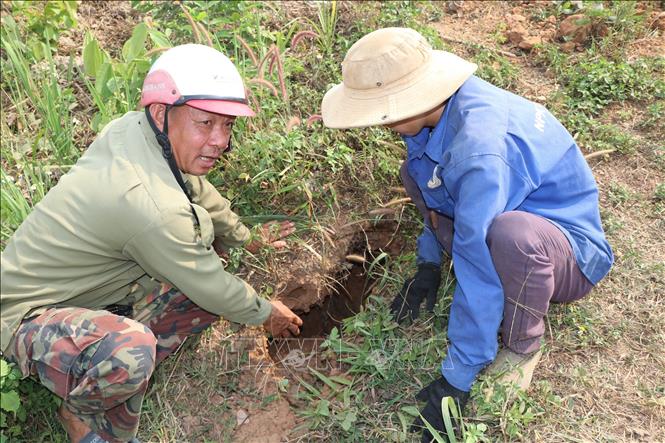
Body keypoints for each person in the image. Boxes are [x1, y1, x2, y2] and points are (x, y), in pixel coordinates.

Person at [0, 44, 303, 443]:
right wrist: (266, 313)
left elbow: (194, 186)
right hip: (26, 314)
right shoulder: (150, 206)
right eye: (205, 123)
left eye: (227, 125)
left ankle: (106, 353)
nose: (220, 141)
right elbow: (208, 280)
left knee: (199, 292)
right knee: (133, 347)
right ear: (162, 113)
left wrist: (245, 238)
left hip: (87, 292)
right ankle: (82, 416)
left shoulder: (139, 131)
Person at [321, 28, 613, 441]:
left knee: (510, 236)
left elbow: (476, 263)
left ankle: (523, 344)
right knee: (414, 171)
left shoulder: (478, 150)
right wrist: (428, 264)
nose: (377, 123)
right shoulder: (433, 116)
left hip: (565, 251)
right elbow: (434, 185)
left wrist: (456, 377)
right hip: (502, 207)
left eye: (380, 112)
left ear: (412, 98)